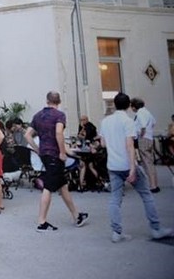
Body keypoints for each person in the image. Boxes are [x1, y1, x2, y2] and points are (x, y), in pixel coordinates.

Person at [99, 92, 172, 243]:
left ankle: (116, 232)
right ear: (127, 106)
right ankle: (156, 228)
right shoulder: (128, 121)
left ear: (114, 103)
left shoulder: (105, 122)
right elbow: (130, 146)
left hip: (112, 165)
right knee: (146, 194)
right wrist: (132, 168)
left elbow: (103, 144)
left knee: (115, 198)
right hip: (126, 164)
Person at [25, 91, 88, 232]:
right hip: (55, 154)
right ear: (59, 102)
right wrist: (62, 152)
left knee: (62, 185)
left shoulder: (38, 115)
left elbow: (27, 134)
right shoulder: (59, 115)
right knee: (49, 186)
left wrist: (37, 149)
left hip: (45, 154)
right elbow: (59, 132)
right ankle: (41, 222)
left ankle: (76, 215)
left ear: (47, 100)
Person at [131, 98, 159, 193]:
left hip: (143, 139)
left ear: (134, 106)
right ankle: (154, 183)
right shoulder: (147, 112)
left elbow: (142, 126)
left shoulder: (140, 113)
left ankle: (152, 186)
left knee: (146, 162)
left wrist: (141, 134)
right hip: (150, 138)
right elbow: (154, 122)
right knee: (150, 162)